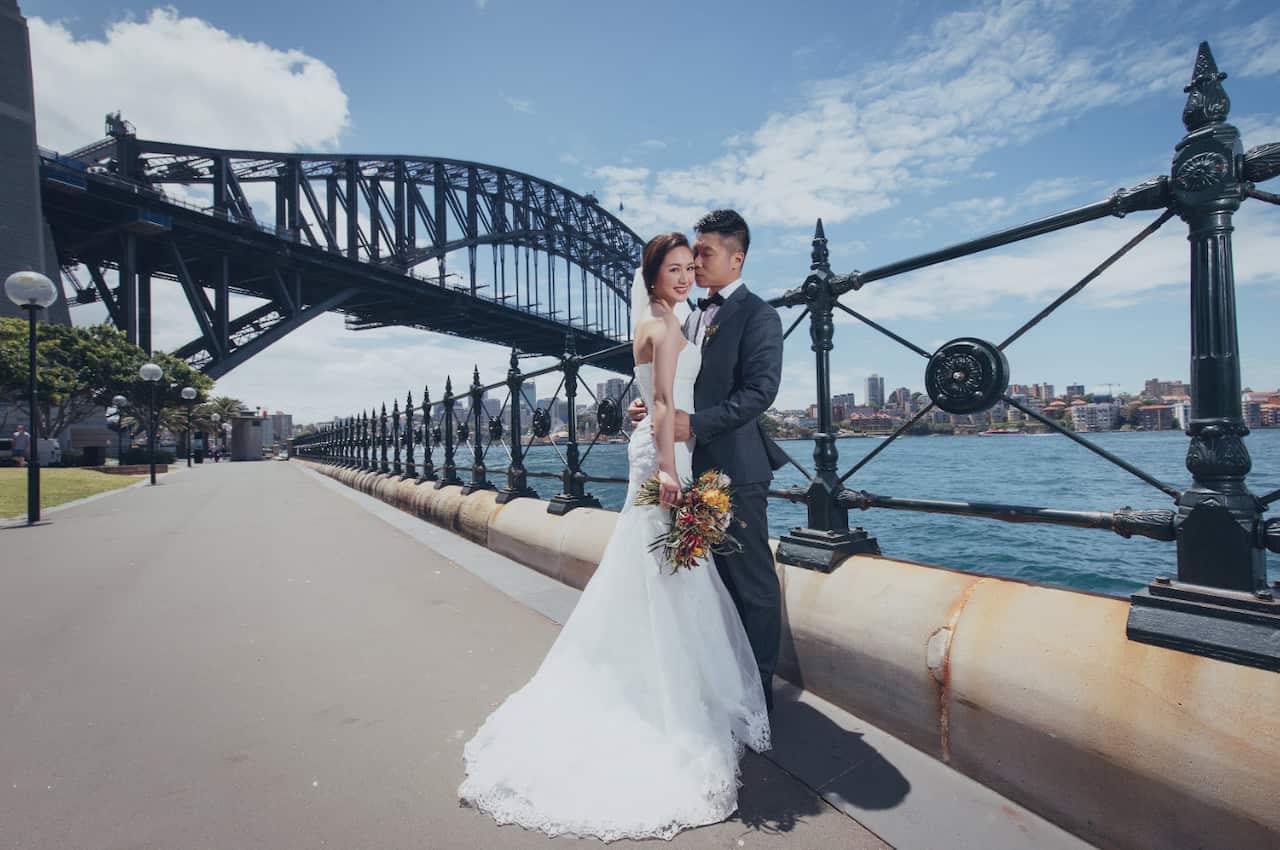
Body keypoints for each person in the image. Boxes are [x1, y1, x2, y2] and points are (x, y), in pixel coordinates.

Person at [458, 231, 770, 842]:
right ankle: (672, 697)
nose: (685, 277)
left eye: (690, 267)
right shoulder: (666, 324)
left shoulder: (661, 320)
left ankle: (652, 682)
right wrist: (672, 471)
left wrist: (658, 430)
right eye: (674, 269)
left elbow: (660, 395)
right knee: (669, 574)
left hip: (658, 446)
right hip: (664, 456)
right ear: (652, 276)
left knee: (654, 572)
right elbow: (659, 400)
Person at [629, 209, 787, 712]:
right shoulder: (689, 317)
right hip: (692, 466)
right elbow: (672, 387)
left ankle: (759, 693)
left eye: (705, 254)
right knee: (708, 581)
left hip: (737, 470)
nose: (694, 264)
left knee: (752, 581)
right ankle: (721, 684)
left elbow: (761, 391)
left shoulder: (760, 315)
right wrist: (648, 404)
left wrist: (691, 425)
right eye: (691, 254)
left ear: (736, 259)